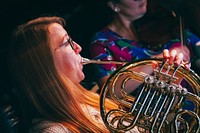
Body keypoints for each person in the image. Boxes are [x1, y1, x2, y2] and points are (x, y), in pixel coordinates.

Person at [7, 15, 188, 133]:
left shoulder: (92, 101)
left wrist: (172, 86)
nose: (78, 47)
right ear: (45, 65)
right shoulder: (52, 130)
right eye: (66, 43)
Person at [89, 0, 199, 89]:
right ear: (114, 5)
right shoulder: (102, 41)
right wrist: (156, 60)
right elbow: (109, 90)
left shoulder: (165, 23)